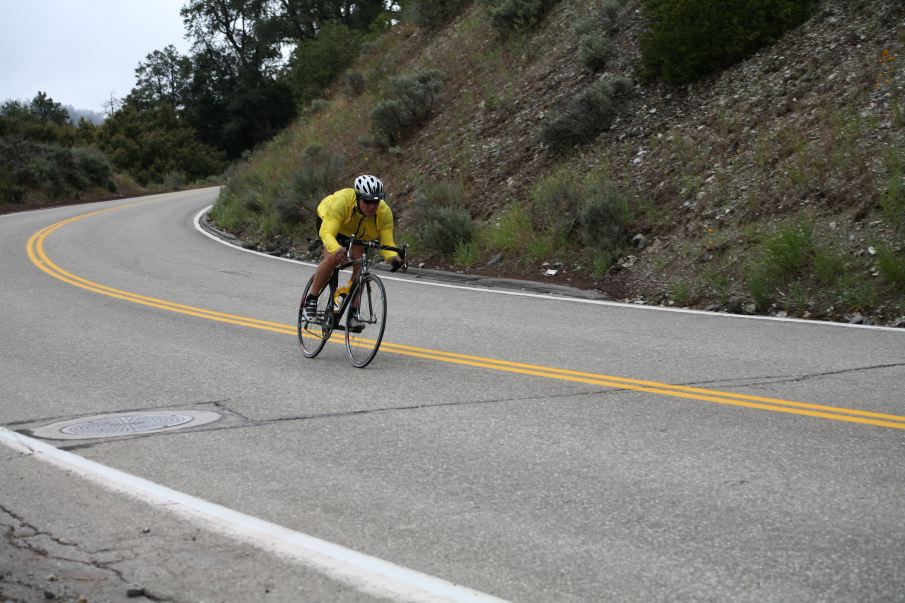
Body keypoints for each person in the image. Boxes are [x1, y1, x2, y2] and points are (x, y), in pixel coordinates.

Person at [303, 175, 404, 324]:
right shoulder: (342, 202)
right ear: (358, 197)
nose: (372, 206)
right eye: (368, 201)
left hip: (357, 232)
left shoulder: (384, 213)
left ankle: (353, 312)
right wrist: (336, 248)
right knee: (332, 259)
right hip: (331, 223)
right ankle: (311, 299)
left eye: (376, 202)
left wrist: (394, 258)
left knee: (361, 267)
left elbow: (387, 242)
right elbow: (327, 233)